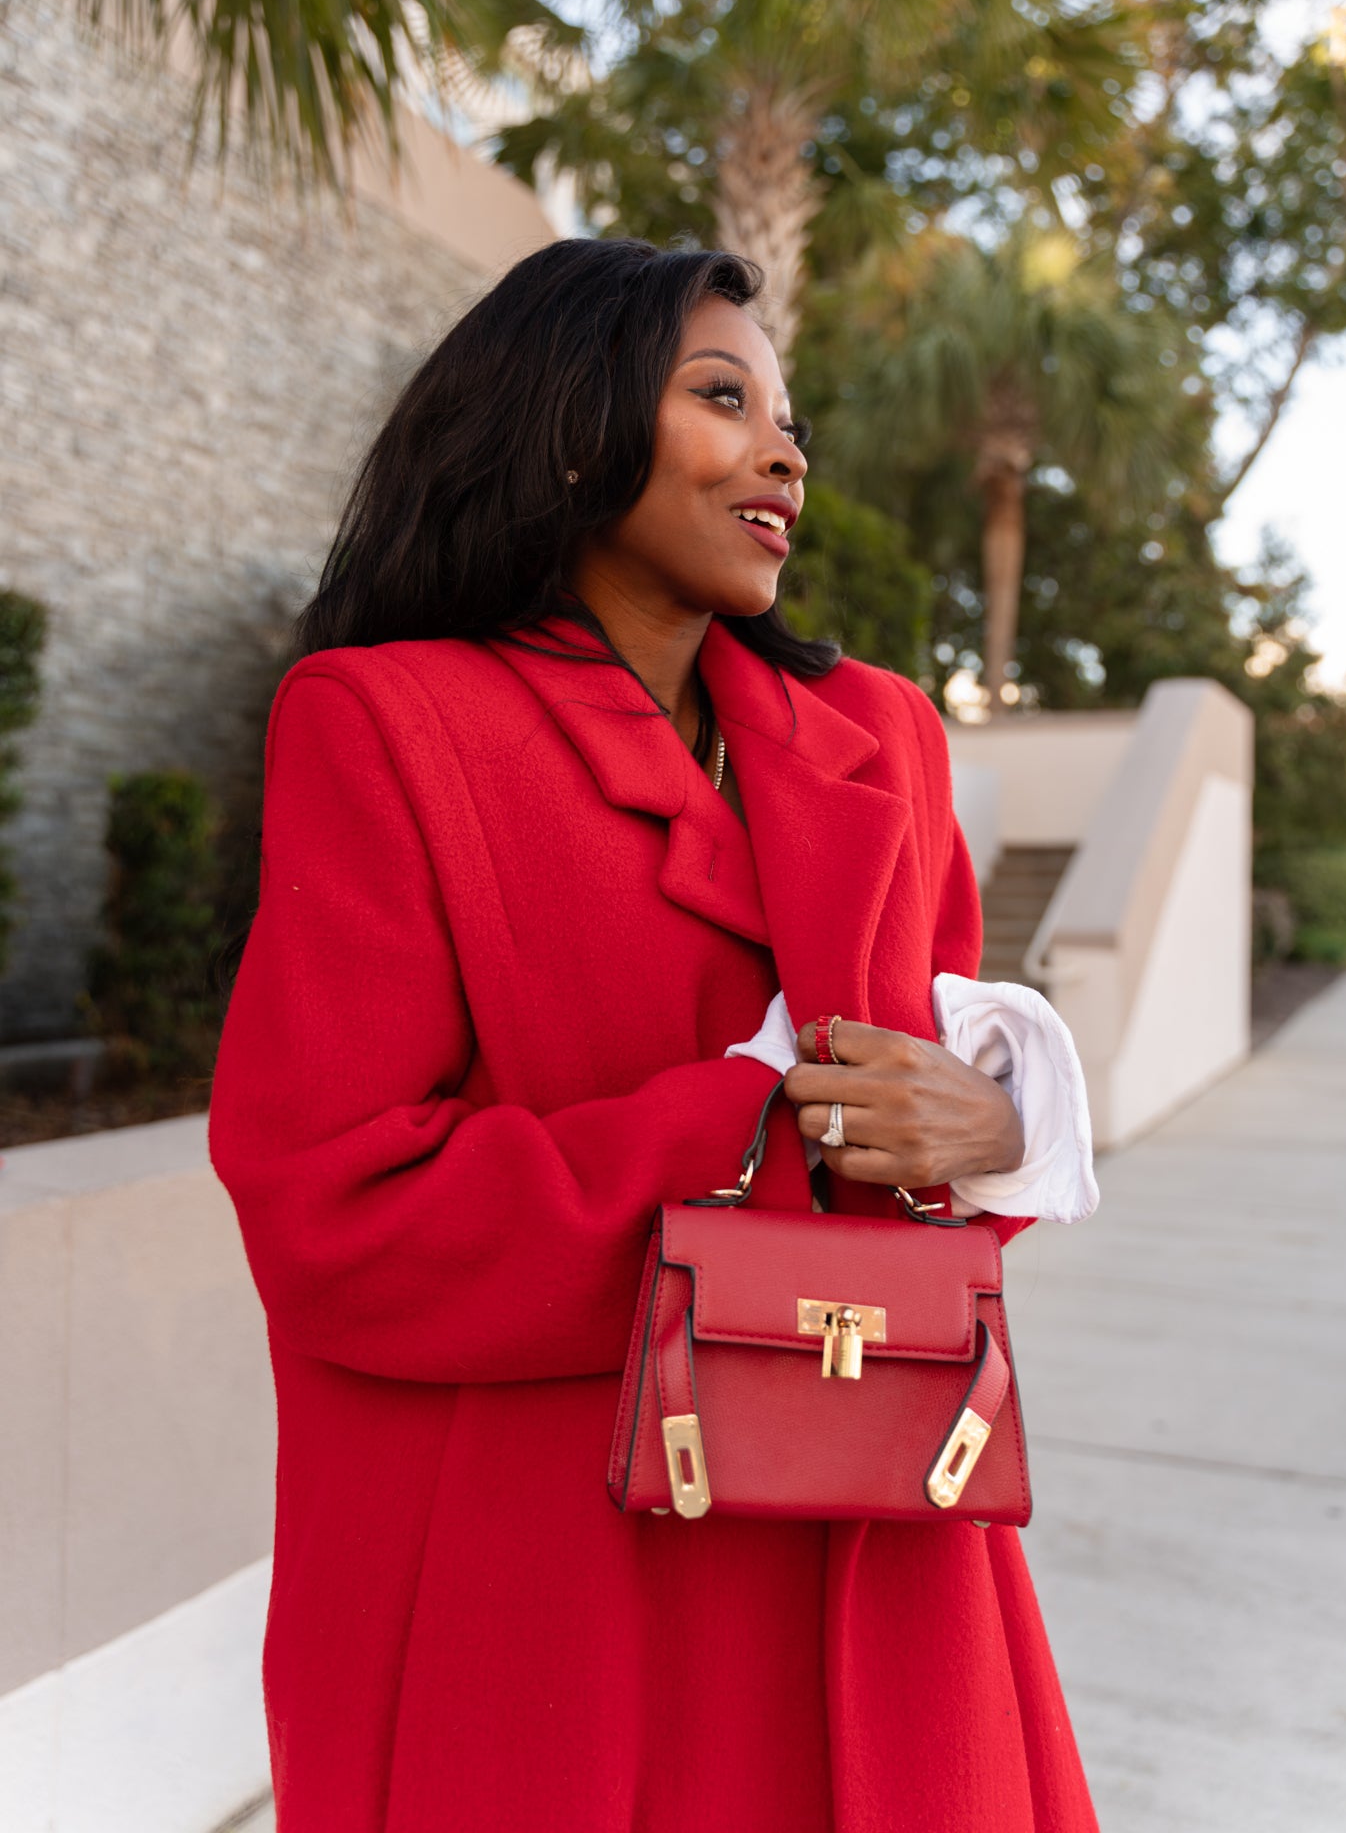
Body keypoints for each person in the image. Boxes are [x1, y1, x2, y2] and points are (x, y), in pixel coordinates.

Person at [210, 237, 1098, 1832]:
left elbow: (917, 1109)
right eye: (720, 397)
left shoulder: (879, 738)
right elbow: (333, 1202)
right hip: (544, 1567)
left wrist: (994, 1128)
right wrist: (747, 1119)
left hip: (866, 1526)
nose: (783, 451)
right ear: (568, 429)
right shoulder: (387, 725)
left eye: (790, 419)